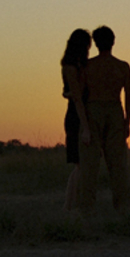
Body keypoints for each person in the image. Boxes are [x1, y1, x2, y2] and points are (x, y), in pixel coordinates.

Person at [77, 25, 130, 215]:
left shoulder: (88, 66)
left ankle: (86, 210)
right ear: (113, 42)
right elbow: (129, 97)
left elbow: (79, 96)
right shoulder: (122, 66)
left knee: (89, 166)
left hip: (92, 111)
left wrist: (84, 125)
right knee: (118, 165)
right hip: (115, 112)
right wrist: (127, 122)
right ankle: (123, 208)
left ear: (96, 44)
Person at [60, 29, 91, 211]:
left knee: (81, 166)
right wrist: (85, 127)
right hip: (76, 117)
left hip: (81, 115)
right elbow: (77, 98)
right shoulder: (70, 68)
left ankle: (70, 206)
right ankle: (70, 206)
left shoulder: (79, 66)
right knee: (81, 165)